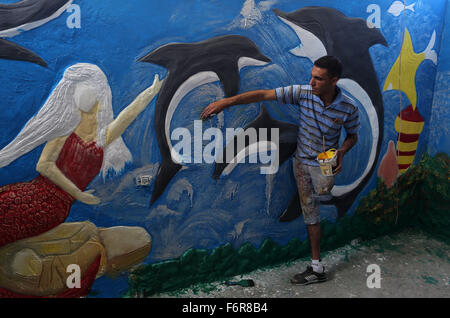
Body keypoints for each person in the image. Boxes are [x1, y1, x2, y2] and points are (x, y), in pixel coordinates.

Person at [201, 55, 359, 285]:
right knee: (311, 213)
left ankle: (317, 261)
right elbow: (264, 94)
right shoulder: (304, 93)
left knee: (319, 204)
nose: (312, 82)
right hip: (302, 164)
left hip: (326, 167)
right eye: (311, 76)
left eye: (318, 79)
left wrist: (342, 152)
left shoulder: (348, 107)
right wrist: (226, 102)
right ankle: (317, 267)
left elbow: (353, 136)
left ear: (334, 81)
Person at [0, 63, 163, 247]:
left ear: (98, 92)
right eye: (74, 88)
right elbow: (44, 165)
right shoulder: (65, 128)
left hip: (53, 208)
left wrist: (151, 92)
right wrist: (79, 194)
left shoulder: (103, 137)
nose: (77, 93)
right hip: (36, 195)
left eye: (82, 87)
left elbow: (130, 113)